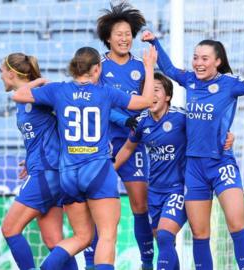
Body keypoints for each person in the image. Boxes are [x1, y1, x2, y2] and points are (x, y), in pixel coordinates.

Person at [142, 30, 244, 269]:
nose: (198, 62)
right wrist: (154, 41)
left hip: (221, 163)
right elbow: (170, 69)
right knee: (199, 233)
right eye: (196, 57)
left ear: (218, 61)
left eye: (205, 58)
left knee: (236, 225)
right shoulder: (190, 80)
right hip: (194, 168)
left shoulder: (230, 84)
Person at [12, 45, 157, 270]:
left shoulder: (59, 90)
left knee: (82, 237)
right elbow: (147, 101)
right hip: (97, 170)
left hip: (69, 175)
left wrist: (38, 82)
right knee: (107, 236)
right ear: (97, 69)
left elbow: (19, 95)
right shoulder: (105, 92)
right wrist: (148, 67)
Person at [114, 72, 234, 270]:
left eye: (156, 90)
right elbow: (127, 148)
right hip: (154, 191)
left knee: (164, 235)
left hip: (178, 189)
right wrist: (111, 170)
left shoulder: (181, 118)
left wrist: (229, 137)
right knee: (165, 243)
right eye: (148, 91)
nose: (151, 95)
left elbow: (208, 129)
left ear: (167, 96)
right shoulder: (142, 122)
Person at [88, 3, 154, 269]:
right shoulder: (98, 67)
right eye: (119, 34)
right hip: (103, 142)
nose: (124, 38)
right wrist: (124, 119)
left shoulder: (141, 66)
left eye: (128, 33)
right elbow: (99, 104)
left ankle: (147, 262)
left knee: (140, 203)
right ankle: (90, 262)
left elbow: (150, 100)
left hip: (133, 142)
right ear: (108, 37)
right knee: (95, 206)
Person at [0, 53, 78, 270]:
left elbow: (67, 117)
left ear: (12, 73)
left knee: (9, 229)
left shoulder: (37, 94)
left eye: (2, 72)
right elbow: (42, 132)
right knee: (54, 241)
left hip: (46, 173)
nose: (0, 77)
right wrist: (30, 158)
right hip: (45, 170)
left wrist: (39, 82)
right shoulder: (25, 99)